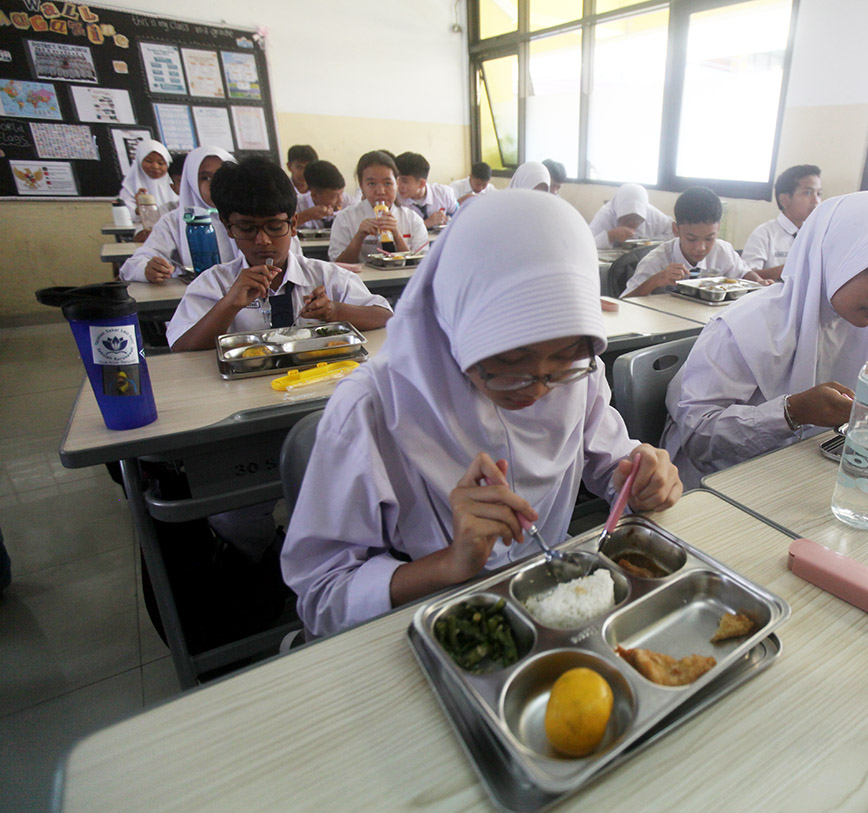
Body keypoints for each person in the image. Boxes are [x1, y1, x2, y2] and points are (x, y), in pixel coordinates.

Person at [280, 191, 683, 638]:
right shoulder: (372, 409)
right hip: (419, 624)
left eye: (564, 361)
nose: (537, 389)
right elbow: (321, 598)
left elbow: (614, 463)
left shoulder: (578, 375)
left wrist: (643, 479)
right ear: (455, 322)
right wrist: (451, 563)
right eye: (509, 365)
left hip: (549, 601)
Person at [662, 191, 868, 487]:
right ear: (834, 257)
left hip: (800, 477)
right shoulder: (745, 329)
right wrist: (792, 413)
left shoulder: (867, 331)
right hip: (721, 485)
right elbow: (698, 437)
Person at [166, 157, 392, 352]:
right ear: (228, 228)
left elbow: (384, 316)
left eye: (274, 227)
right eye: (246, 228)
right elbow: (181, 346)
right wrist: (229, 304)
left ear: (293, 224)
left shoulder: (324, 275)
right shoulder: (215, 282)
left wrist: (334, 310)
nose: (262, 240)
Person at [119, 146, 239, 284]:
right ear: (192, 182)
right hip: (197, 297)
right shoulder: (174, 221)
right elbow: (133, 265)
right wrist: (147, 268)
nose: (215, 185)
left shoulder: (253, 217)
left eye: (222, 176)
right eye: (205, 178)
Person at [622, 186, 767, 298]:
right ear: (676, 230)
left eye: (710, 238)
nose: (701, 247)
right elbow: (623, 304)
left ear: (718, 229)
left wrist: (760, 283)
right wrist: (654, 281)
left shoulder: (722, 251)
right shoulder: (656, 261)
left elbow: (745, 274)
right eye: (691, 239)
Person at [329, 151, 428, 263]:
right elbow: (337, 264)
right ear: (361, 186)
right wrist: (359, 237)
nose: (380, 191)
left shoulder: (412, 219)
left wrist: (396, 235)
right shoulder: (345, 218)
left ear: (397, 183)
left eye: (387, 184)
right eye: (372, 184)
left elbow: (420, 266)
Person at [742, 164, 822, 280]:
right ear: (785, 200)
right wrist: (790, 269)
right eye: (807, 193)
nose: (816, 201)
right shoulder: (764, 234)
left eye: (819, 194)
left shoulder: (817, 234)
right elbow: (746, 276)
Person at [587, 183, 672, 249]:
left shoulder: (651, 214)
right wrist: (610, 236)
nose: (631, 223)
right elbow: (586, 244)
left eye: (636, 219)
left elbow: (674, 234)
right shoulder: (606, 214)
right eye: (626, 219)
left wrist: (648, 241)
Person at [395, 151, 458, 229]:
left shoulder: (443, 194)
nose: (398, 185)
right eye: (396, 179)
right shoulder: (395, 200)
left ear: (421, 184)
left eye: (404, 181)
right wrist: (425, 224)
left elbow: (460, 218)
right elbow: (398, 232)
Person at [118, 140, 176, 220]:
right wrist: (140, 209)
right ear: (139, 161)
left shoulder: (177, 185)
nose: (155, 166)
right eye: (149, 161)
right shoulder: (130, 188)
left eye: (160, 163)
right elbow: (126, 218)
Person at [296, 160, 356, 229]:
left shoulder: (348, 202)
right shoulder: (298, 205)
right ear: (314, 195)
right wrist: (306, 216)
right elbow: (285, 228)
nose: (341, 200)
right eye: (334, 196)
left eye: (341, 193)